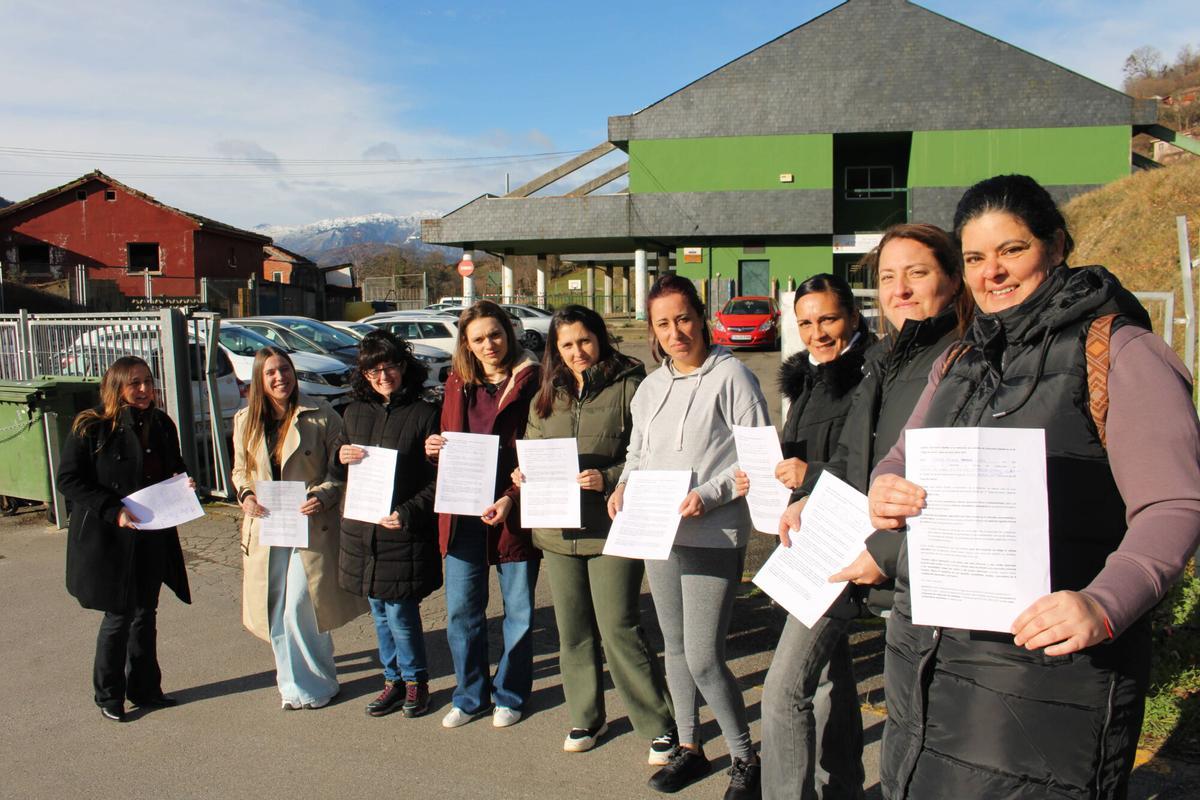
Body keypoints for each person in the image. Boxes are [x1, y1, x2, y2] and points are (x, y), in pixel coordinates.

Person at [857, 175, 1200, 799]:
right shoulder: (958, 360)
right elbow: (902, 457)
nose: (993, 273)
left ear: (1058, 244)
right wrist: (886, 488)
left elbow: (1174, 503)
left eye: (1012, 250)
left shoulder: (1121, 353)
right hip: (924, 663)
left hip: (1047, 681)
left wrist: (1105, 603)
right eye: (976, 258)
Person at [763, 226, 970, 800]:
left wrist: (884, 551)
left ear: (953, 278)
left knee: (917, 722)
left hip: (911, 561)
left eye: (917, 273)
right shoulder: (884, 358)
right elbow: (857, 458)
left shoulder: (964, 357)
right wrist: (810, 496)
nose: (900, 288)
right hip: (837, 540)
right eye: (887, 277)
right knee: (792, 688)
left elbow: (954, 474)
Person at [608, 274, 769, 799]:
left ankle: (746, 757)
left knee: (703, 655)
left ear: (701, 317)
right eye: (662, 323)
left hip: (711, 532)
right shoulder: (651, 387)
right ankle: (691, 746)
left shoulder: (734, 377)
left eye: (683, 318)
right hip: (658, 530)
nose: (675, 332)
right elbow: (638, 452)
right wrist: (624, 487)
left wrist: (712, 494)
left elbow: (757, 457)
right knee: (674, 649)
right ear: (652, 330)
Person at [504, 305, 676, 763]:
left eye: (584, 341)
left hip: (612, 528)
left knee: (619, 626)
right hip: (557, 531)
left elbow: (651, 452)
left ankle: (658, 723)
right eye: (566, 345)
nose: (577, 352)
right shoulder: (548, 391)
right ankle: (586, 716)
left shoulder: (631, 385)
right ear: (555, 350)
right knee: (573, 631)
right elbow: (534, 445)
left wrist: (612, 476)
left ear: (599, 339)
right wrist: (522, 475)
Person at [741, 274, 871, 800]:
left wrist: (809, 474)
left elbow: (867, 462)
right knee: (830, 680)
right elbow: (802, 455)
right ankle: (842, 787)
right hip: (805, 537)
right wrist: (768, 473)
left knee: (786, 690)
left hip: (840, 541)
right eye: (806, 323)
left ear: (854, 317)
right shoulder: (810, 376)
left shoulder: (869, 375)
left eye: (828, 320)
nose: (817, 333)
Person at [424, 300, 541, 729]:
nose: (489, 344)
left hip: (515, 511)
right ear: (466, 345)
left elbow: (538, 451)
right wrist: (434, 449)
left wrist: (512, 495)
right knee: (461, 612)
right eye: (478, 339)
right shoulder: (457, 382)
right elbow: (449, 442)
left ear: (508, 333)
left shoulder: (533, 381)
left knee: (520, 613)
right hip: (463, 512)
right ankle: (469, 695)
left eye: (495, 334)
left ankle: (509, 694)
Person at [232, 346, 365, 711]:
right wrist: (245, 495)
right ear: (259, 379)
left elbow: (340, 471)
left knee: (300, 607)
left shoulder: (321, 415)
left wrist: (323, 495)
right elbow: (241, 469)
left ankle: (317, 684)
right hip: (267, 524)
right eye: (271, 372)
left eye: (285, 370)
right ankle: (290, 686)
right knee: (276, 608)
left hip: (311, 523)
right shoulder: (245, 420)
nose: (280, 378)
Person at [59, 356, 192, 722]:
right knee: (118, 615)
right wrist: (112, 508)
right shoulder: (91, 426)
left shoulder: (162, 424)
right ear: (116, 386)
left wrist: (184, 481)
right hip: (111, 537)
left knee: (146, 613)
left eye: (148, 381)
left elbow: (174, 466)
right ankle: (108, 695)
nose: (145, 390)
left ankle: (146, 689)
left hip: (153, 533)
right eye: (135, 383)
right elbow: (69, 480)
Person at [332, 330, 440, 719]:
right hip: (364, 531)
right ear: (362, 374)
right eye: (373, 369)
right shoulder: (353, 412)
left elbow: (438, 480)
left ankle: (416, 681)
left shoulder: (426, 412)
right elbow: (340, 469)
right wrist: (338, 457)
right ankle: (391, 680)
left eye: (389, 366)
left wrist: (409, 512)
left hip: (402, 530)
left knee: (401, 612)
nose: (382, 376)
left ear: (404, 365)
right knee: (378, 610)